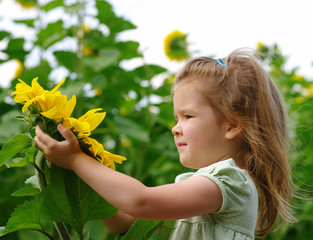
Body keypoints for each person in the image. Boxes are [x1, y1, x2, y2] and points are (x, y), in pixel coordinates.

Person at [34, 48, 296, 239]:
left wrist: (76, 160)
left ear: (232, 125)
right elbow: (128, 221)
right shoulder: (205, 187)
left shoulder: (230, 182)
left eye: (188, 116)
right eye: (176, 118)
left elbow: (140, 202)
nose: (175, 128)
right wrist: (85, 174)